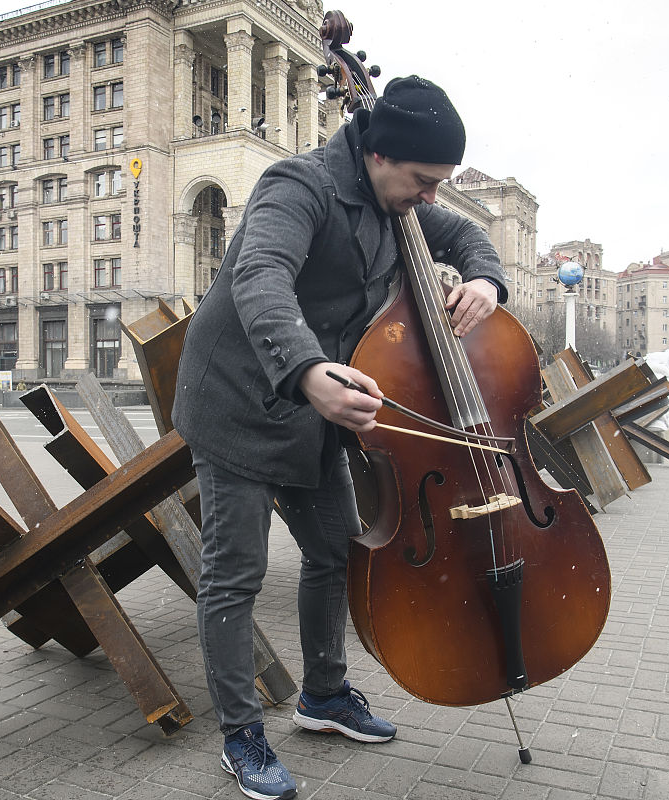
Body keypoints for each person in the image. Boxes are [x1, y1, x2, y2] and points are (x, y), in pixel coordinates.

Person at [172, 73, 508, 800]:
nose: (431, 198)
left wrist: (486, 280)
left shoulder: (402, 202)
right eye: (424, 181)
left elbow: (465, 235)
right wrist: (305, 369)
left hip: (319, 406)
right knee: (235, 574)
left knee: (334, 553)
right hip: (241, 400)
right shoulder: (298, 185)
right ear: (379, 155)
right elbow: (260, 276)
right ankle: (240, 736)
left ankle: (323, 696)